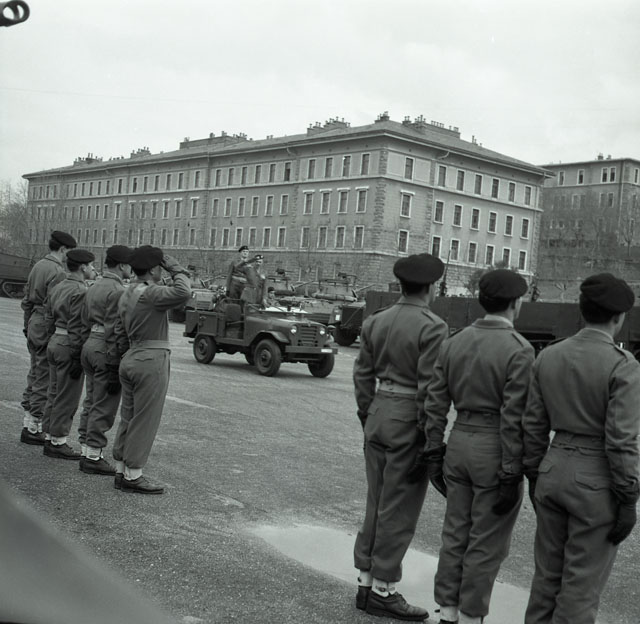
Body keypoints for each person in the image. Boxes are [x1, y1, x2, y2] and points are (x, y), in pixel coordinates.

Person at [414, 269, 534, 624]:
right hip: (494, 449)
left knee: (455, 534)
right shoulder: (519, 349)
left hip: (458, 443)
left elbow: (435, 402)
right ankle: (472, 616)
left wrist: (434, 450)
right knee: (486, 542)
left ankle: (448, 611)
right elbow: (514, 417)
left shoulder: (455, 342)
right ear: (515, 303)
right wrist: (512, 469)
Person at [522, 273, 640, 624]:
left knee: (546, 578)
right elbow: (621, 439)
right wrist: (628, 496)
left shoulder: (549, 356)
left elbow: (533, 424)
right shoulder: (623, 365)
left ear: (582, 310)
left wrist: (534, 473)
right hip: (596, 478)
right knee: (581, 588)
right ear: (619, 317)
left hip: (553, 467)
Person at [353, 253, 448, 622]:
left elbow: (362, 375)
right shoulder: (432, 326)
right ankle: (384, 590)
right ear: (431, 287)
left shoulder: (376, 320)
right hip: (409, 419)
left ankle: (365, 582)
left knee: (375, 501)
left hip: (378, 411)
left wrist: (368, 414)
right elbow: (431, 390)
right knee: (399, 509)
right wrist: (432, 438)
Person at [112, 247, 191, 494]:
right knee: (145, 419)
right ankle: (133, 475)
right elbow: (184, 292)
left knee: (128, 416)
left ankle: (120, 469)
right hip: (151, 360)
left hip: (131, 356)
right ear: (155, 268)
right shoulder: (152, 292)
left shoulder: (128, 292)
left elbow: (119, 331)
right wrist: (175, 267)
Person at [74, 245, 133, 475]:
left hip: (90, 343)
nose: (131, 269)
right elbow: (115, 329)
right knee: (104, 404)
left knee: (91, 400)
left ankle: (85, 448)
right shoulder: (118, 290)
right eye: (129, 265)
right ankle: (93, 454)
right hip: (105, 348)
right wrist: (114, 360)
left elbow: (82, 319)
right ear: (122, 265)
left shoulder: (94, 285)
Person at [20, 230, 77, 445]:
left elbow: (27, 299)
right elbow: (55, 306)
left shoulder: (38, 266)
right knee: (44, 376)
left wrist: (27, 325)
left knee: (35, 372)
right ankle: (34, 426)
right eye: (69, 251)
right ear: (63, 249)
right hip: (45, 322)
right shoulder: (58, 271)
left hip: (34, 320)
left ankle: (28, 421)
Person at [42, 249, 97, 460]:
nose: (93, 269)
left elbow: (48, 316)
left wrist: (51, 338)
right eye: (91, 265)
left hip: (55, 340)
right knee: (67, 396)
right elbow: (77, 325)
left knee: (54, 392)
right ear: (83, 267)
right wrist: (76, 355)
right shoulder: (80, 290)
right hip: (68, 344)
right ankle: (58, 440)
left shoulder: (59, 286)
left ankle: (49, 435)